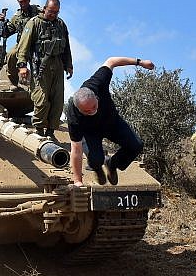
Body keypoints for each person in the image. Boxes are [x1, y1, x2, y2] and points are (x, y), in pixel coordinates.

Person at [66, 57, 155, 186]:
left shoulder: (98, 82)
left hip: (112, 122)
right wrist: (77, 181)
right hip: (91, 132)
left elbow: (112, 61)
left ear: (96, 97)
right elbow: (76, 150)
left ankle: (112, 164)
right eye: (87, 111)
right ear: (79, 109)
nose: (92, 112)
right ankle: (97, 168)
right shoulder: (73, 114)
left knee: (136, 145)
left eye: (94, 107)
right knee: (96, 159)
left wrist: (139, 62)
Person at [16, 0, 73, 138]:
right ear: (44, 8)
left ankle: (51, 131)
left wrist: (69, 65)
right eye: (51, 11)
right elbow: (23, 46)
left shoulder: (61, 25)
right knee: (41, 100)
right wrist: (22, 66)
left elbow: (67, 47)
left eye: (56, 12)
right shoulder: (34, 23)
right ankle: (39, 130)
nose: (53, 14)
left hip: (58, 65)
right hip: (41, 65)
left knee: (57, 101)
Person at [0, 0, 42, 85]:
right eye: (21, 2)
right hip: (21, 45)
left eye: (25, 1)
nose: (23, 4)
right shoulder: (17, 17)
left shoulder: (38, 12)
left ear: (29, 0)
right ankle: (14, 82)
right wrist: (2, 23)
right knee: (10, 54)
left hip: (37, 44)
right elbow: (6, 33)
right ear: (18, 1)